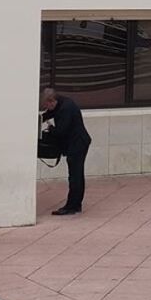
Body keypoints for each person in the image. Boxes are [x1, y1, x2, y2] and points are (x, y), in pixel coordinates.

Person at [41, 88, 92, 216]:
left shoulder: (66, 108)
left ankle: (72, 206)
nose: (46, 108)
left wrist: (50, 128)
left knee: (75, 176)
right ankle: (76, 204)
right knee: (76, 174)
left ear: (52, 101)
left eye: (46, 105)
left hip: (78, 144)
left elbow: (61, 131)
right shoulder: (60, 103)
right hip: (75, 143)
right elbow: (48, 114)